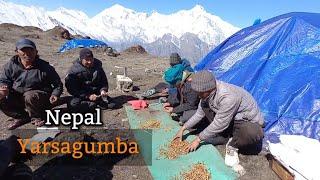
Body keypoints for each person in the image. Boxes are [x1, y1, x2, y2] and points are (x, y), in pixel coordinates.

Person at [173, 70, 264, 174]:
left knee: (252, 132)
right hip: (229, 118)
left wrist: (198, 139)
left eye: (201, 93)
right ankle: (224, 136)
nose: (199, 95)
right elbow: (199, 114)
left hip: (244, 120)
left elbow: (220, 123)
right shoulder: (207, 93)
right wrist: (183, 129)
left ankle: (233, 145)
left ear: (209, 89)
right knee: (205, 108)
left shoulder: (228, 97)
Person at [0, 38, 63, 130]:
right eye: (23, 50)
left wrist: (55, 94)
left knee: (30, 95)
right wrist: (3, 88)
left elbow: (58, 84)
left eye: (30, 50)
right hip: (19, 96)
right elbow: (4, 80)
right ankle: (21, 116)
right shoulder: (11, 65)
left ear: (36, 51)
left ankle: (37, 116)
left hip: (39, 98)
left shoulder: (45, 67)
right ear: (17, 52)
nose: (27, 53)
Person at [65, 48, 115, 113]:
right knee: (73, 105)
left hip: (96, 93)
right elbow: (72, 89)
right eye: (87, 60)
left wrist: (103, 90)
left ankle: (93, 104)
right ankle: (92, 104)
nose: (90, 62)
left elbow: (103, 81)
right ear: (81, 59)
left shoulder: (98, 66)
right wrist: (88, 96)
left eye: (91, 59)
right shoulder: (73, 71)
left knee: (112, 104)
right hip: (81, 95)